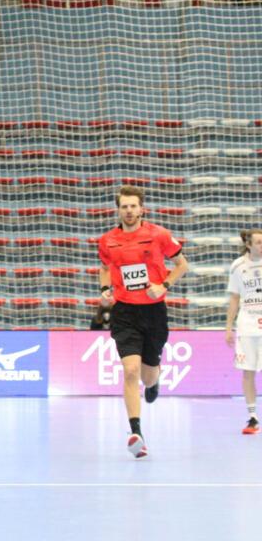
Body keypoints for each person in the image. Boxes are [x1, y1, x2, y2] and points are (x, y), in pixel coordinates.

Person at [97, 185, 188, 458]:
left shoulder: (159, 235)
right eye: (124, 206)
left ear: (141, 208)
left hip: (154, 312)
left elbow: (182, 264)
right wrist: (104, 291)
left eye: (133, 206)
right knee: (131, 370)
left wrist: (164, 285)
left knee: (147, 375)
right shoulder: (107, 240)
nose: (129, 210)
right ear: (118, 209)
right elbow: (104, 268)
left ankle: (154, 382)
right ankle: (136, 432)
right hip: (124, 313)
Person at [226, 229, 262, 435]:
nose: (261, 246)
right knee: (248, 372)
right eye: (258, 243)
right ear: (249, 244)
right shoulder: (238, 266)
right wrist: (228, 328)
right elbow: (234, 299)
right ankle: (252, 418)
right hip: (248, 326)